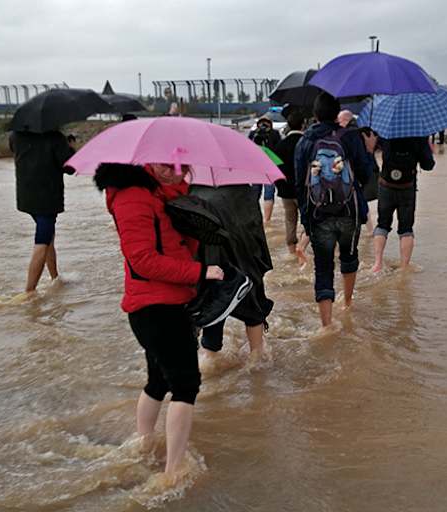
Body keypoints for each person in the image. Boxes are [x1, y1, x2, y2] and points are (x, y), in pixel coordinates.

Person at [94, 162, 224, 477]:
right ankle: (173, 472)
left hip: (171, 301)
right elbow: (142, 260)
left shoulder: (163, 195)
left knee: (160, 380)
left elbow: (175, 248)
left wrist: (194, 229)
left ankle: (145, 445)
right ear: (147, 160)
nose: (175, 171)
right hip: (154, 307)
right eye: (167, 164)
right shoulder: (132, 197)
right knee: (186, 384)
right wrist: (200, 271)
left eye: (182, 166)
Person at [295, 92, 378, 327]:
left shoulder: (305, 141)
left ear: (315, 114)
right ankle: (348, 303)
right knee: (349, 258)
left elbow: (299, 184)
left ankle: (327, 324)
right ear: (337, 113)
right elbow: (364, 175)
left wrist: (306, 219)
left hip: (319, 214)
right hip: (348, 212)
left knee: (323, 267)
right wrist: (370, 151)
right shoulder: (351, 137)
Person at [189, 184, 274, 365]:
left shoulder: (191, 193)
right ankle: (257, 358)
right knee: (253, 311)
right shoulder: (244, 192)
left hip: (209, 265)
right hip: (243, 261)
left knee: (212, 309)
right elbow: (255, 231)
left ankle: (210, 358)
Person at [9, 130, 75, 295]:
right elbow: (70, 167)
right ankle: (30, 291)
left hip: (26, 196)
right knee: (42, 241)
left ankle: (55, 278)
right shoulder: (55, 137)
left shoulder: (16, 135)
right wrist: (70, 147)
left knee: (48, 237)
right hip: (47, 198)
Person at [371, 137, 435, 273]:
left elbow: (372, 149)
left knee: (382, 224)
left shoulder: (386, 132)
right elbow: (428, 165)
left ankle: (377, 263)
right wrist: (428, 150)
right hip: (407, 187)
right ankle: (404, 267)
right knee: (406, 228)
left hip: (386, 185)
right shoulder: (419, 135)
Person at [274, 110, 309, 265]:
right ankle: (303, 249)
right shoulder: (307, 143)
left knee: (290, 220)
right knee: (307, 219)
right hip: (304, 190)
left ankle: (291, 252)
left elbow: (275, 169)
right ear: (303, 124)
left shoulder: (280, 145)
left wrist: (280, 187)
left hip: (285, 191)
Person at [249, 116, 281, 223]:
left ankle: (255, 219)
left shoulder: (253, 134)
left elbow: (246, 150)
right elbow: (278, 151)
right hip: (270, 166)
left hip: (255, 167)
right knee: (269, 194)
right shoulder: (274, 134)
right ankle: (267, 220)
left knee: (254, 194)